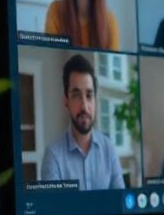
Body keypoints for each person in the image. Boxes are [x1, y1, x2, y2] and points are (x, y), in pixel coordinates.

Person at [41, 53, 125, 190]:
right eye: (76, 95)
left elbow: (121, 204)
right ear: (66, 101)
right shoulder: (53, 156)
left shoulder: (109, 149)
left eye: (89, 95)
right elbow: (54, 210)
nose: (84, 106)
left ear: (95, 100)